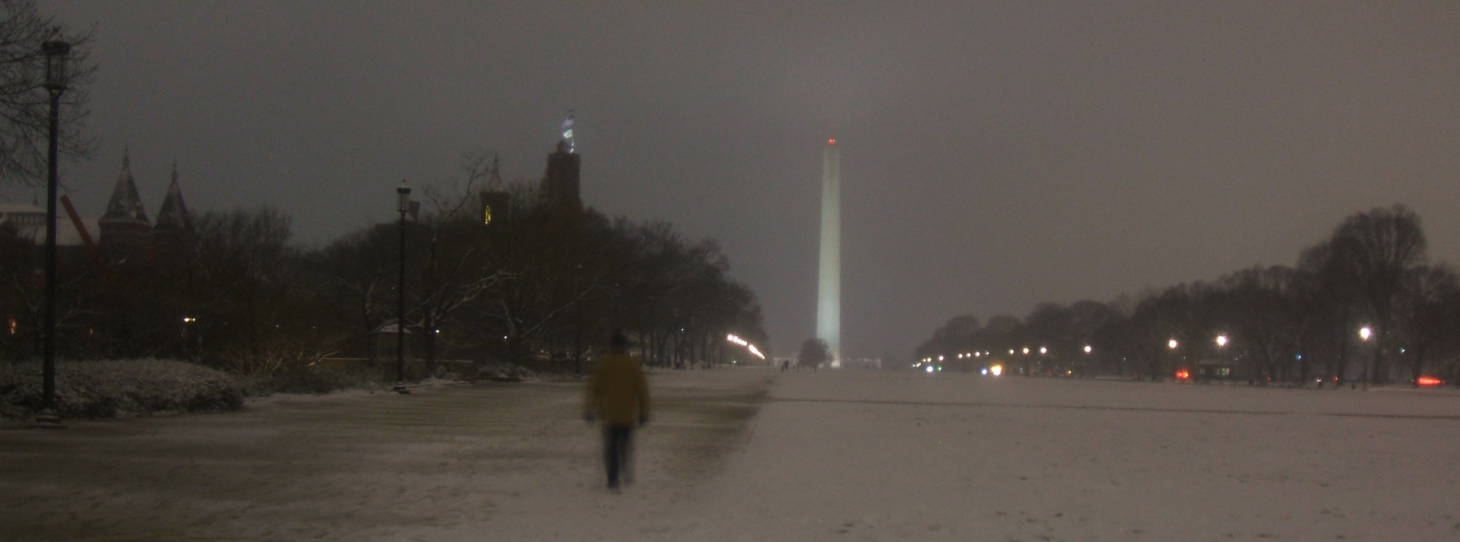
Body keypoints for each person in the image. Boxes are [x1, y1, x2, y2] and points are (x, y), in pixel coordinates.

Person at [583, 331, 650, 491]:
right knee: (625, 446)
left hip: (609, 413)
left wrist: (590, 409)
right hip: (628, 414)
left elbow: (594, 389)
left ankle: (612, 477)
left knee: (611, 448)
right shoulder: (632, 365)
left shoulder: (604, 364)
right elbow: (642, 391)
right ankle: (625, 469)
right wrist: (643, 411)